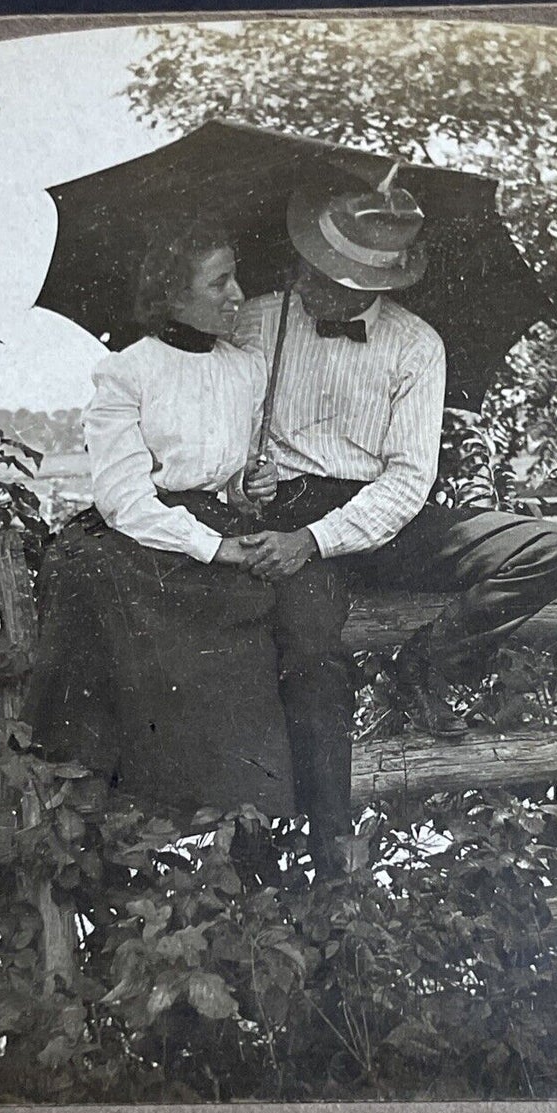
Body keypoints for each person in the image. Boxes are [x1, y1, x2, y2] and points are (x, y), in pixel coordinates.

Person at [231, 170, 557, 836]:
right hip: (287, 513)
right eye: (310, 263)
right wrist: (240, 484)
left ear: (372, 286)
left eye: (328, 275)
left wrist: (318, 539)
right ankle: (329, 853)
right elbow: (211, 435)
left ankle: (429, 662)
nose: (306, 280)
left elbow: (405, 481)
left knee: (553, 547)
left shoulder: (417, 345)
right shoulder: (256, 322)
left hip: (383, 517)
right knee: (312, 658)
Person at [21, 219, 357, 878]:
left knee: (287, 619)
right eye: (219, 281)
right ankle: (130, 819)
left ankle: (253, 831)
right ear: (174, 294)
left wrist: (248, 488)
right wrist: (214, 547)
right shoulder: (127, 371)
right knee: (162, 623)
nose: (237, 295)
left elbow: (226, 481)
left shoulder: (244, 367)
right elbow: (123, 497)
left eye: (237, 276)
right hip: (145, 537)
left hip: (214, 527)